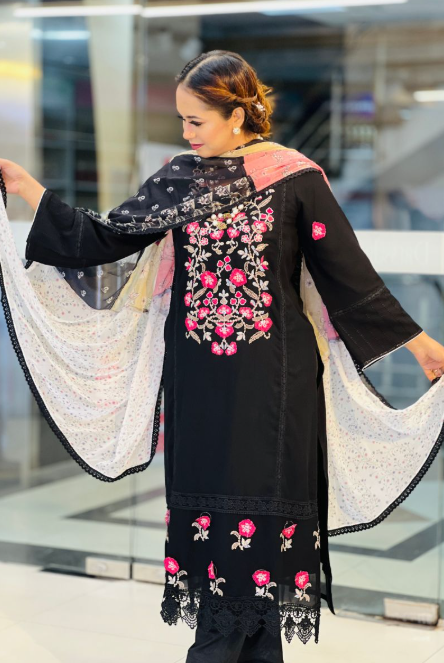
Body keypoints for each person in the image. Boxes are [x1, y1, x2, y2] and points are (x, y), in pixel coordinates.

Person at [1, 50, 444, 663]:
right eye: (182, 120)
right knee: (217, 541)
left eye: (196, 121)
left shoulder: (295, 178)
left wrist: (421, 345)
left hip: (275, 385)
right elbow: (108, 237)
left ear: (237, 115)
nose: (185, 133)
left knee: (255, 548)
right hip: (198, 381)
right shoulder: (180, 178)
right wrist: (28, 190)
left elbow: (347, 274)